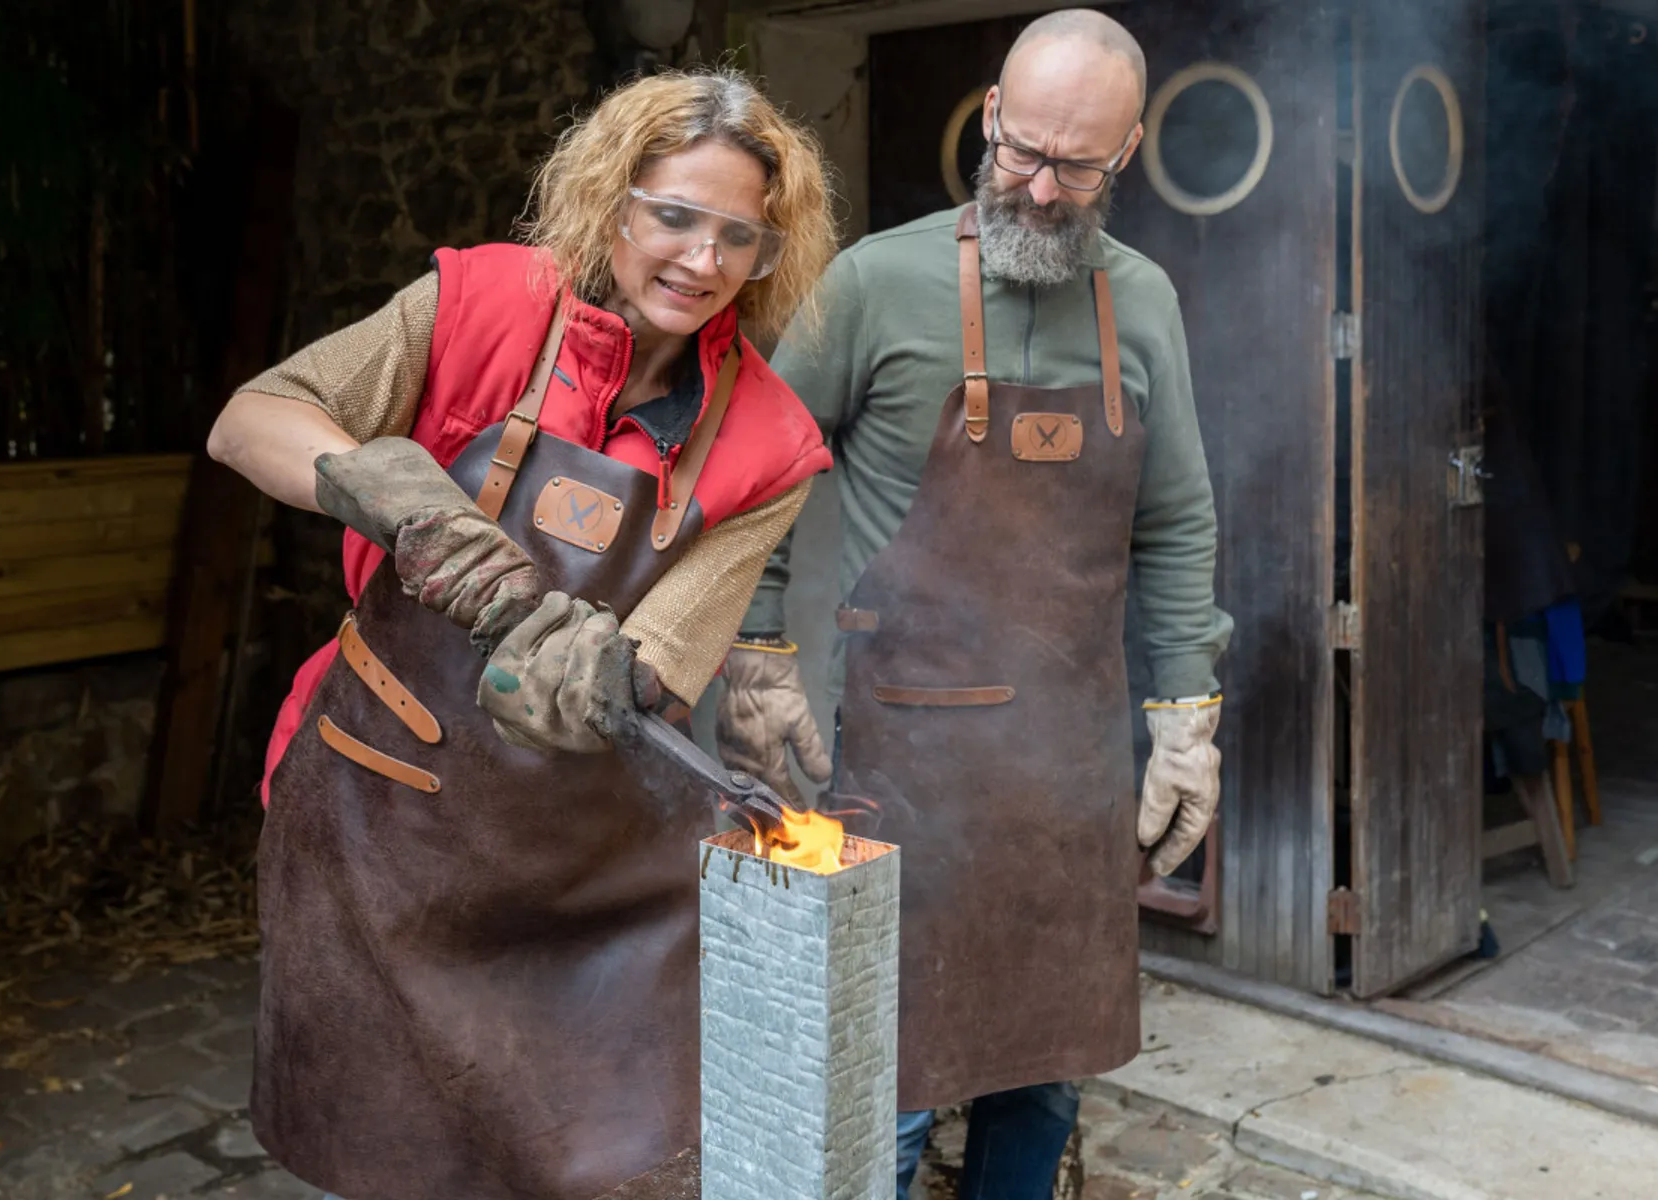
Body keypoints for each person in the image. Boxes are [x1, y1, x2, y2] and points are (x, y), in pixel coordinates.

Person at [207, 68, 837, 1200]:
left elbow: (665, 659)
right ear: (616, 203)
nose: (702, 260)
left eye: (737, 236)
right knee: (390, 1163)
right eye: (675, 217)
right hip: (377, 833)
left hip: (583, 872)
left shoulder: (771, 441)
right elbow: (250, 418)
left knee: (602, 1165)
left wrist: (600, 676)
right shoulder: (482, 304)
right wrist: (375, 485)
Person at [713, 11, 1233, 1199]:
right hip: (908, 760)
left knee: (1044, 1070)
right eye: (1025, 154)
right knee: (892, 1073)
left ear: (1130, 153)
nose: (1043, 190)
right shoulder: (873, 282)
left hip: (1070, 763)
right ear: (992, 116)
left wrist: (1187, 715)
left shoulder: (1143, 302)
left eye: (1078, 167)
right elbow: (756, 477)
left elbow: (1177, 522)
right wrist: (754, 653)